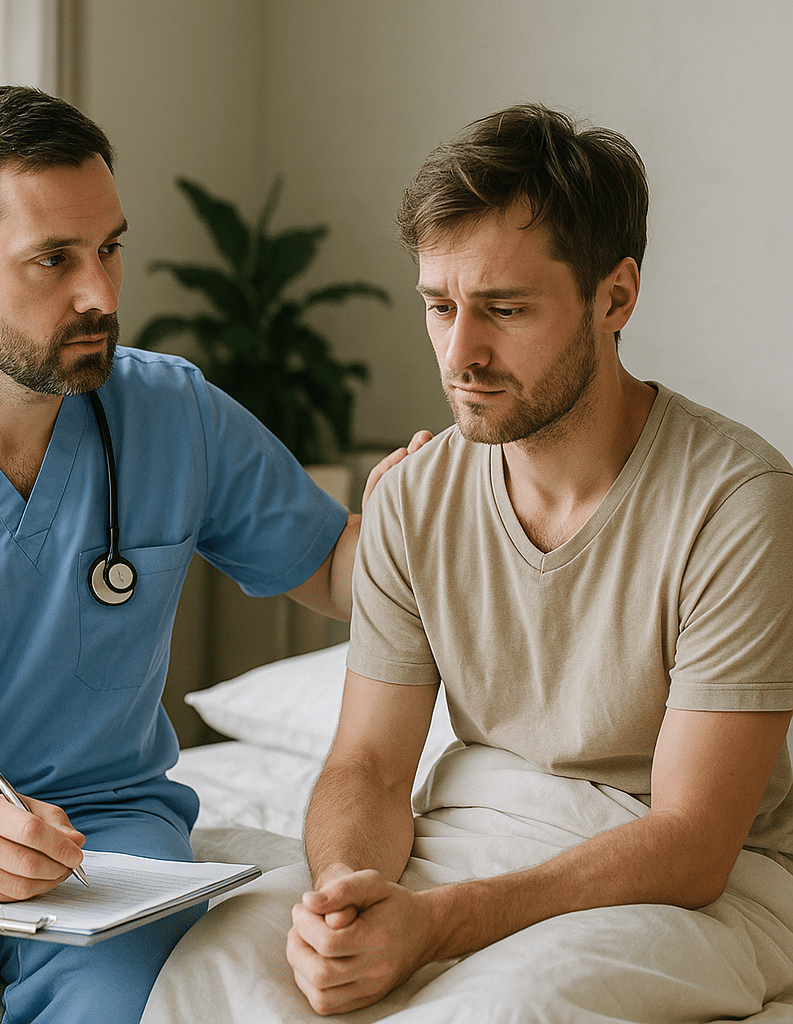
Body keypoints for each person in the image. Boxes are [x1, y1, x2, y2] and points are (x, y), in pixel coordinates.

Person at [0, 86, 426, 1024]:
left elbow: (332, 573)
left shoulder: (173, 413)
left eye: (111, 248)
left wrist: (413, 514)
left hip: (105, 839)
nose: (102, 295)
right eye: (54, 260)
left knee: (125, 978)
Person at [139, 104, 793, 1022]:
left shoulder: (738, 501)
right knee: (220, 962)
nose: (461, 355)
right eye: (440, 307)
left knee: (507, 1009)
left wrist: (438, 926)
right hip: (477, 830)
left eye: (505, 310)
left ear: (616, 296)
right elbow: (367, 764)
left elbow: (693, 842)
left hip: (688, 882)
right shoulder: (411, 498)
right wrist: (351, 897)